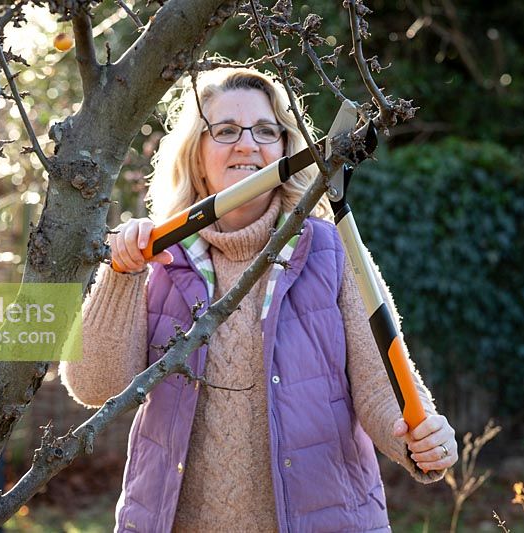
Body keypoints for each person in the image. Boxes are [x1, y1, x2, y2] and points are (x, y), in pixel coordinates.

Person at [61, 67, 457, 532]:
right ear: (196, 156)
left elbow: (380, 385)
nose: (247, 144)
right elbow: (93, 384)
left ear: (287, 148)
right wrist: (121, 274)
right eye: (226, 131)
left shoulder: (332, 251)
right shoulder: (158, 259)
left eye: (265, 131)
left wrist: (421, 435)